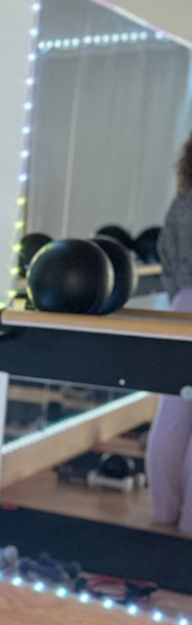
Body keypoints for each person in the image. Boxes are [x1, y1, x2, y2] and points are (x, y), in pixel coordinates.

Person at [146, 132, 192, 532]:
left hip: (183, 305)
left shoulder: (182, 201)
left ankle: (164, 511)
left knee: (173, 414)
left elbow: (165, 255)